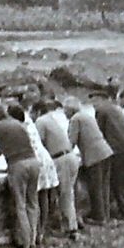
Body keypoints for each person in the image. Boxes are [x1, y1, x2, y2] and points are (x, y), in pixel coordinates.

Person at [0, 101, 41, 248]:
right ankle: (34, 239)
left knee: (20, 205)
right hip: (34, 162)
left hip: (17, 165)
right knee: (33, 203)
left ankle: (26, 243)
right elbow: (4, 147)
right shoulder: (19, 124)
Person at [92, 89, 124, 221]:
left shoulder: (101, 111)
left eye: (94, 100)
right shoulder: (116, 109)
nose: (93, 104)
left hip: (120, 149)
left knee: (119, 182)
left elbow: (98, 133)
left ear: (101, 99)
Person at [64, 95, 113, 226]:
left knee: (95, 187)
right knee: (104, 186)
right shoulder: (86, 116)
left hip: (94, 155)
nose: (64, 113)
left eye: (65, 110)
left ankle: (99, 217)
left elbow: (71, 142)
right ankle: (105, 214)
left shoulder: (75, 119)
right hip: (105, 151)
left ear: (70, 110)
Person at [35, 100, 81, 237]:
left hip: (61, 160)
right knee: (68, 194)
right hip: (70, 157)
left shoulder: (40, 121)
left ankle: (71, 229)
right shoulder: (51, 119)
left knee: (65, 195)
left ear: (36, 112)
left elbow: (39, 145)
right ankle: (69, 224)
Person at [14, 101, 59, 237]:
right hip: (44, 159)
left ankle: (35, 231)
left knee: (34, 198)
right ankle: (41, 231)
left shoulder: (19, 127)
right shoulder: (29, 124)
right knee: (43, 194)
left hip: (35, 159)